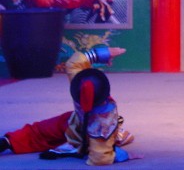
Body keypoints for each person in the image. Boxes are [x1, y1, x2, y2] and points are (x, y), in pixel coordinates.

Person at [0, 46, 138, 165]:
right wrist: (122, 155)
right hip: (83, 128)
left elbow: (73, 63)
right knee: (42, 129)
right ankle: (6, 142)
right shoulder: (104, 121)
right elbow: (100, 158)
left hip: (77, 126)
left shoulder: (79, 84)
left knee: (39, 131)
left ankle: (9, 142)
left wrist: (102, 53)